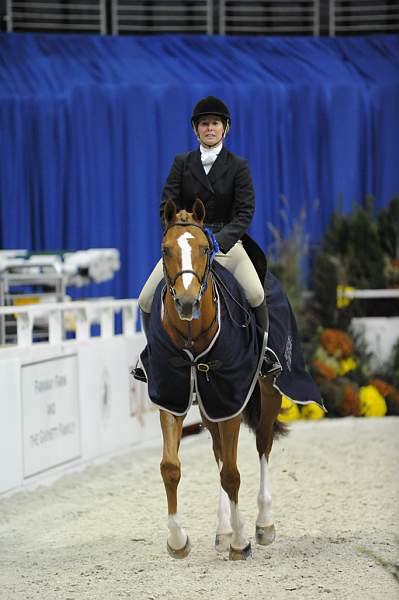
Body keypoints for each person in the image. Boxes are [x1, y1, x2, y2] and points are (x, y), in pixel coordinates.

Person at [137, 95, 269, 374]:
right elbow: (166, 206)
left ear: (226, 128)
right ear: (196, 129)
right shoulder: (181, 163)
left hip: (225, 244)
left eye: (216, 124)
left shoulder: (238, 166)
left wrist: (219, 240)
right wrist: (182, 236)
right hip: (188, 246)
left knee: (256, 294)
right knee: (146, 298)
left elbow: (245, 211)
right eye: (205, 124)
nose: (210, 128)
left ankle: (263, 357)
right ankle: (151, 358)